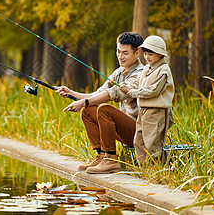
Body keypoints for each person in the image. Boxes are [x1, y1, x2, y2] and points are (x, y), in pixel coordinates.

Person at [55, 32, 144, 174]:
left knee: (104, 109)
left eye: (125, 53)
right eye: (118, 51)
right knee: (88, 109)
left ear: (137, 52)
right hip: (124, 130)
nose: (120, 56)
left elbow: (112, 94)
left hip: (139, 132)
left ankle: (112, 160)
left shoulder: (141, 73)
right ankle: (101, 155)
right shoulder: (119, 72)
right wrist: (71, 93)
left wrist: (83, 102)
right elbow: (97, 94)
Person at [124, 35, 175, 165]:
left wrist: (135, 93)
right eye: (145, 54)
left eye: (150, 54)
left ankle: (157, 171)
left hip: (156, 112)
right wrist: (128, 88)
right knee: (139, 140)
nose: (147, 57)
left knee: (153, 143)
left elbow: (154, 90)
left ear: (160, 54)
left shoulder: (164, 70)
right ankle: (144, 169)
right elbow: (139, 85)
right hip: (144, 111)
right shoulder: (147, 68)